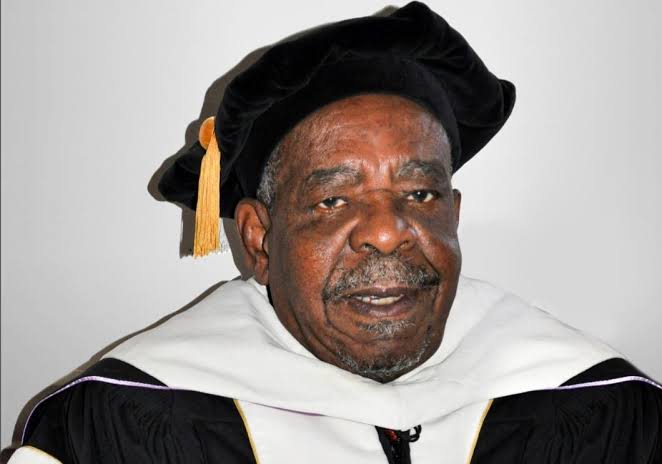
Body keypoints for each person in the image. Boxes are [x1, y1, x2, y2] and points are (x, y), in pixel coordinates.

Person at [8, 2, 661, 463]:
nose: (387, 233)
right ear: (258, 240)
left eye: (420, 193)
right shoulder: (121, 427)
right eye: (332, 200)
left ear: (455, 215)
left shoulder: (606, 411)